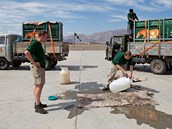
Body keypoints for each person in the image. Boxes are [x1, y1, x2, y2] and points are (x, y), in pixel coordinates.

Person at [24, 30, 48, 114]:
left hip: (40, 67)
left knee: (37, 85)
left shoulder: (38, 44)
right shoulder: (35, 43)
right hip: (37, 68)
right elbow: (27, 52)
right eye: (46, 36)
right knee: (39, 86)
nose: (46, 38)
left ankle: (37, 102)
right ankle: (37, 107)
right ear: (41, 36)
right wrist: (34, 62)